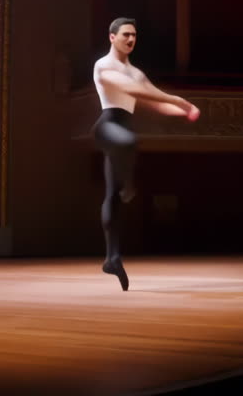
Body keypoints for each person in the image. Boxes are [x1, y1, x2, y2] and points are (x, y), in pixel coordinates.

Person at [92, 17, 199, 291]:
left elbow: (151, 98)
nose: (131, 39)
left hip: (123, 125)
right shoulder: (103, 65)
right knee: (128, 142)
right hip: (107, 126)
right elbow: (132, 89)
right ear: (112, 37)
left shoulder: (136, 71)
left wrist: (184, 111)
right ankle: (129, 186)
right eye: (126, 34)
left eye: (134, 35)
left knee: (111, 197)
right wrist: (177, 99)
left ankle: (112, 258)